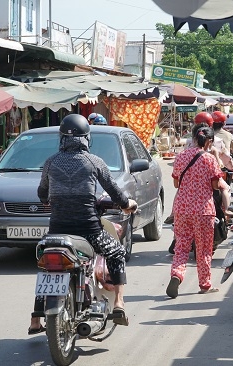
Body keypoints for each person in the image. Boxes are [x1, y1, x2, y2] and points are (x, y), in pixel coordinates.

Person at [29, 114, 137, 334]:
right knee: (116, 253)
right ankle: (118, 303)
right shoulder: (94, 161)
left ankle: (35, 320)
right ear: (86, 138)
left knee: (47, 267)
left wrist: (48, 200)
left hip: (57, 230)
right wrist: (128, 204)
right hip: (89, 231)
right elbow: (115, 192)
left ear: (62, 138)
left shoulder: (50, 162)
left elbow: (42, 193)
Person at [166, 126, 222, 298]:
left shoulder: (181, 156)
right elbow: (215, 186)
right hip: (203, 211)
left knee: (181, 246)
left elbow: (176, 184)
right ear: (209, 142)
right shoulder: (210, 159)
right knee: (204, 248)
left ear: (193, 138)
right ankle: (205, 284)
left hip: (182, 209)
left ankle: (177, 274)